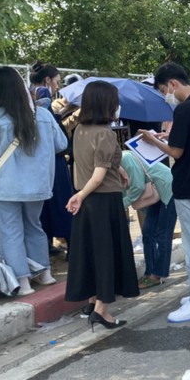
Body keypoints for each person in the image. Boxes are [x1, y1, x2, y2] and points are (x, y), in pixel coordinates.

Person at [0, 67, 68, 294]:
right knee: (34, 226)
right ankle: (45, 273)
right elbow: (61, 144)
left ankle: (22, 282)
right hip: (38, 186)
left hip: (6, 188)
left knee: (11, 232)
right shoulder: (42, 115)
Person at [140, 63, 190, 323]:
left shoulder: (186, 109)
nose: (167, 95)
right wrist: (168, 138)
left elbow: (177, 152)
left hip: (188, 185)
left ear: (173, 84)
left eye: (165, 89)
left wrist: (152, 141)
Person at [64, 81, 139, 329]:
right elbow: (98, 175)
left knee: (91, 253)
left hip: (87, 201)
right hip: (103, 200)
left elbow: (91, 163)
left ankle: (91, 300)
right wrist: (82, 195)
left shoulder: (79, 131)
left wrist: (116, 169)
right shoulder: (105, 134)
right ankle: (102, 310)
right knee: (108, 254)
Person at [30, 62, 74, 256]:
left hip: (35, 163)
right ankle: (73, 247)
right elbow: (54, 131)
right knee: (63, 203)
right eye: (56, 82)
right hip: (53, 160)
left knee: (43, 208)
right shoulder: (44, 96)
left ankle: (47, 244)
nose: (57, 87)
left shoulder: (27, 96)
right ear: (47, 80)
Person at [120, 150, 177, 289]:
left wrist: (120, 204)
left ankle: (157, 275)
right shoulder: (110, 166)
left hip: (168, 189)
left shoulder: (125, 158)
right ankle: (149, 272)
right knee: (147, 232)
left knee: (162, 235)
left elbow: (137, 187)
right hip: (155, 193)